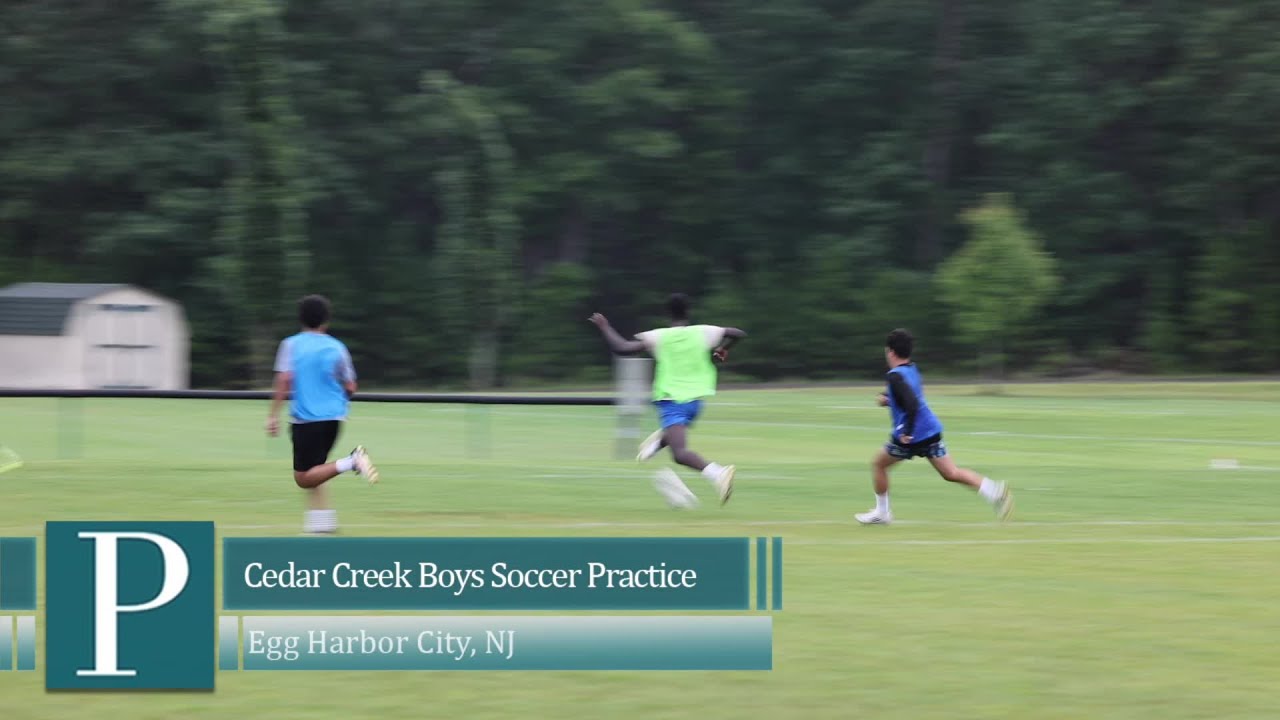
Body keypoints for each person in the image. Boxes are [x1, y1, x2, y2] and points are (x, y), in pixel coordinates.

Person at [588, 293, 745, 507]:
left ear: (668, 314)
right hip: (696, 402)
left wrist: (604, 326)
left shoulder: (658, 336)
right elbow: (738, 333)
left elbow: (622, 349)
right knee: (674, 433)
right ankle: (658, 442)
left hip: (672, 401)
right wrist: (723, 350)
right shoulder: (704, 332)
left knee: (680, 454)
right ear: (688, 312)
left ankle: (718, 473)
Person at [855, 328, 1013, 525]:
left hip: (910, 436)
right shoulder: (912, 369)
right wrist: (889, 400)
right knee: (951, 473)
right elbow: (909, 395)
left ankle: (882, 512)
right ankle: (994, 491)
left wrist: (907, 431)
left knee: (878, 464)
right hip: (930, 431)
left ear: (890, 352)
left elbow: (911, 402)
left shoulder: (894, 376)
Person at [266, 294, 379, 535]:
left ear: (301, 319)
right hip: (335, 419)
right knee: (318, 469)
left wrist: (273, 415)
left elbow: (285, 379)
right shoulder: (338, 347)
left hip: (307, 419)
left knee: (303, 477)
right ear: (325, 320)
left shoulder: (291, 345)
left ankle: (353, 461)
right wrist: (336, 404)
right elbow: (350, 386)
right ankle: (322, 524)